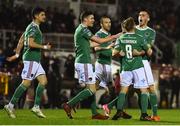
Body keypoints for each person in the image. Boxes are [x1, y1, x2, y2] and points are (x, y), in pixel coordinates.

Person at [62, 11, 119, 120]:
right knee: (92, 89)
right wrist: (115, 36)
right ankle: (69, 104)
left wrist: (106, 45)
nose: (93, 20)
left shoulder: (80, 30)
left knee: (91, 88)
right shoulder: (84, 29)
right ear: (85, 19)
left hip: (82, 62)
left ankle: (94, 113)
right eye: (91, 18)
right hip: (83, 62)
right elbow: (99, 40)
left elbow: (92, 44)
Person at [4, 7, 51, 118]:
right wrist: (44, 46)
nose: (44, 17)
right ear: (36, 16)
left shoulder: (31, 27)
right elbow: (30, 43)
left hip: (35, 60)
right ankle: (10, 106)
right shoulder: (34, 27)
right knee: (26, 83)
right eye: (42, 14)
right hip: (31, 59)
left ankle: (36, 107)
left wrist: (16, 55)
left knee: (43, 81)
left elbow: (21, 40)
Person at [111, 17, 152, 121]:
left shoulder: (120, 38)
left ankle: (119, 111)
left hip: (125, 67)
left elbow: (114, 53)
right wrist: (140, 53)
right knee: (143, 90)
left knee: (123, 90)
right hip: (138, 67)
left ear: (125, 27)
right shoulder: (139, 37)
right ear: (134, 26)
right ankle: (143, 114)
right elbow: (150, 52)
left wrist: (122, 53)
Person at [135, 10, 160, 121]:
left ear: (148, 19)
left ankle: (153, 114)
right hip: (132, 62)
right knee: (127, 89)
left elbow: (148, 48)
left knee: (149, 88)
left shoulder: (151, 32)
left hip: (144, 61)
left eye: (143, 15)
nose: (140, 17)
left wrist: (137, 48)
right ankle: (147, 114)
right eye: (139, 15)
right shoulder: (132, 30)